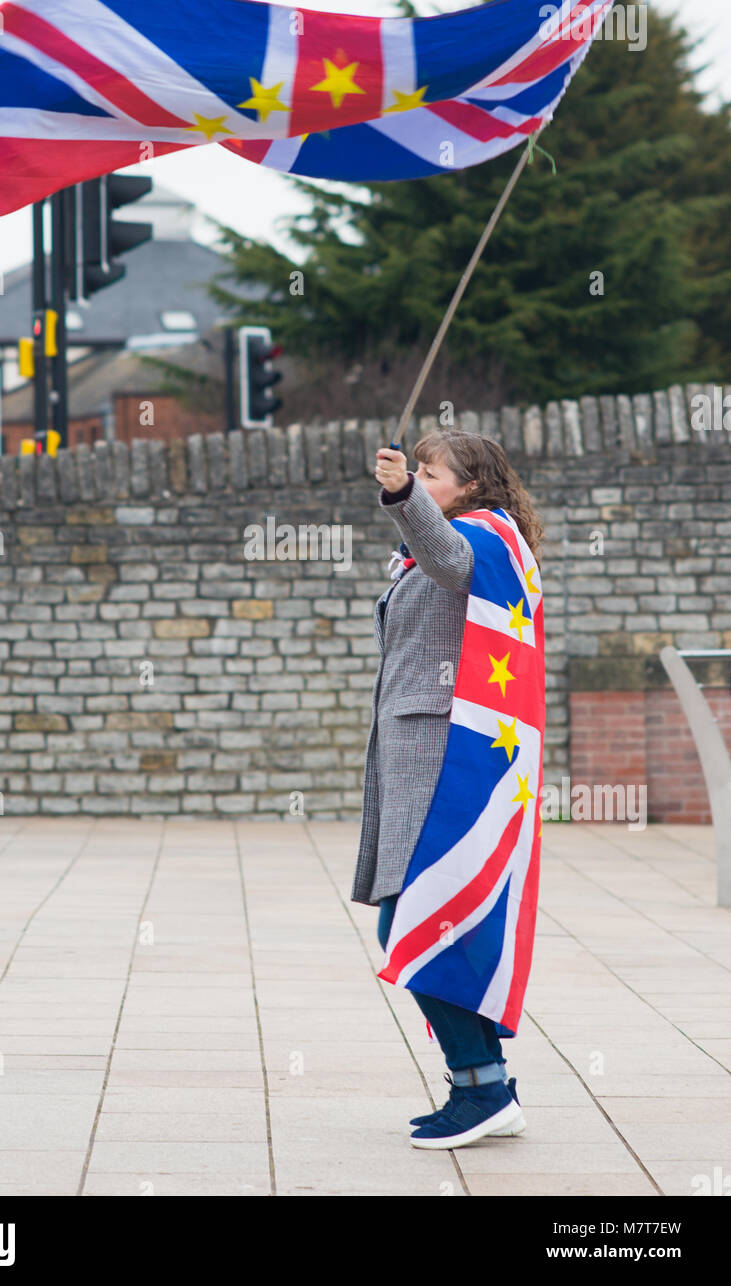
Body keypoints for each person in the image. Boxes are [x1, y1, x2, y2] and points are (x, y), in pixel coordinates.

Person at [351, 427, 544, 1149]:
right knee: (415, 919)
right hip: (415, 749)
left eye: (431, 472)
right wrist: (410, 503)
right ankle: (480, 1085)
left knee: (415, 920)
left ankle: (482, 1089)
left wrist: (401, 494)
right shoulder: (458, 535)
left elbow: (449, 559)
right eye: (418, 471)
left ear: (467, 485)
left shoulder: (480, 537)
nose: (420, 478)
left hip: (444, 755)